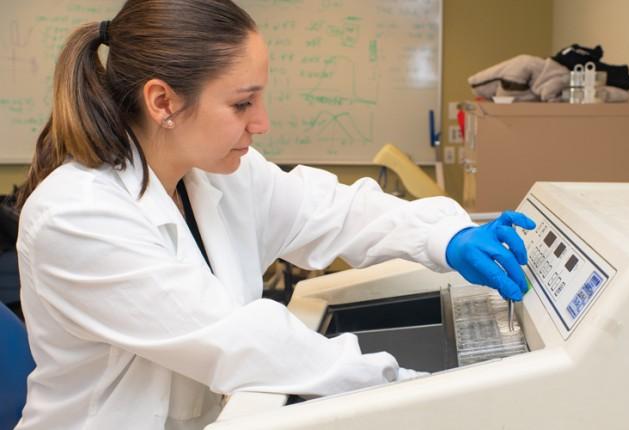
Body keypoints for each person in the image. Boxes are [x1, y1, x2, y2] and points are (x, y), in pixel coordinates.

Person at [13, 1, 535, 429]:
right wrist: (422, 390)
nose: (261, 122)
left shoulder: (218, 174)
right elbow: (239, 342)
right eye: (242, 104)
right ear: (162, 102)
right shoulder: (76, 216)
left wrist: (446, 236)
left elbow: (332, 210)